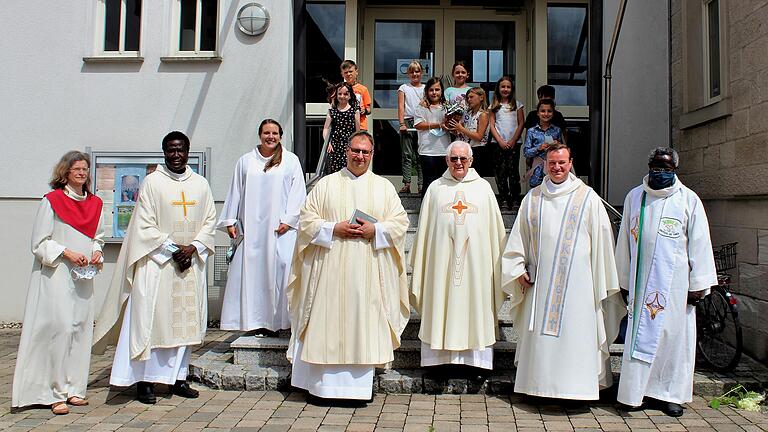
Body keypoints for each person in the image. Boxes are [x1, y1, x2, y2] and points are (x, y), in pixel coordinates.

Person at [93, 131, 217, 404]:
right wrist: (174, 250)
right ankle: (145, 381)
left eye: (180, 150)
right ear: (164, 152)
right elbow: (143, 226)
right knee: (151, 321)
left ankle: (178, 378)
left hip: (189, 265)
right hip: (158, 264)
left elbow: (210, 220)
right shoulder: (152, 183)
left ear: (187, 151)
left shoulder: (201, 184)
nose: (176, 155)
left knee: (184, 323)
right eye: (171, 150)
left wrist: (194, 247)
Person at [287, 131, 410, 401]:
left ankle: (358, 390)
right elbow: (306, 221)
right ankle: (322, 389)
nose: (360, 156)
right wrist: (334, 228)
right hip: (329, 273)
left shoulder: (383, 188)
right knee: (327, 322)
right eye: (355, 150)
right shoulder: (326, 185)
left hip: (368, 275)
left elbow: (400, 223)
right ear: (346, 151)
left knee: (362, 327)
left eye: (365, 152)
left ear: (372, 154)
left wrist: (375, 230)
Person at [501, 143, 625, 401]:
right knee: (541, 339)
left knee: (576, 335)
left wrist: (602, 280)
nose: (557, 167)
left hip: (579, 286)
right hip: (541, 283)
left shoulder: (588, 197)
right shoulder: (532, 198)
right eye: (552, 163)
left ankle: (576, 390)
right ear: (545, 164)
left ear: (570, 163)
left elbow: (603, 241)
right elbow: (518, 240)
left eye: (562, 162)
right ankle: (539, 388)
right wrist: (518, 267)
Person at [615, 147, 717, 417]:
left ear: (675, 170)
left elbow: (700, 244)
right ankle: (635, 394)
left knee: (674, 339)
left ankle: (669, 395)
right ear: (648, 167)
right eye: (656, 167)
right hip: (640, 282)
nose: (660, 173)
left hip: (675, 288)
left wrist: (698, 285)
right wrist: (623, 280)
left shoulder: (688, 200)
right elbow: (625, 239)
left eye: (666, 169)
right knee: (638, 339)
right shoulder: (635, 197)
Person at [12, 151, 105, 415]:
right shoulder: (52, 201)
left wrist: (97, 250)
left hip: (84, 279)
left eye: (85, 169)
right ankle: (53, 393)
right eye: (76, 169)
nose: (81, 173)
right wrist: (67, 253)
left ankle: (74, 389)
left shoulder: (95, 203)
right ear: (65, 172)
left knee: (79, 330)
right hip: (58, 276)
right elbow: (39, 243)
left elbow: (98, 236)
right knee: (60, 329)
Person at [409, 141, 506, 374]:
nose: (459, 163)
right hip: (441, 266)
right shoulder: (435, 189)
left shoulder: (483, 189)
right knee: (440, 301)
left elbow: (495, 235)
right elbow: (424, 232)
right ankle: (438, 362)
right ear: (446, 161)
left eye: (463, 159)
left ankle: (476, 363)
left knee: (475, 305)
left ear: (471, 161)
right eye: (454, 159)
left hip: (476, 269)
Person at [218, 119, 306, 334]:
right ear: (260, 135)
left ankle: (280, 323)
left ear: (280, 135)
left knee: (281, 272)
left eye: (275, 133)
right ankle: (252, 321)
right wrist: (230, 220)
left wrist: (289, 219)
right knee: (252, 276)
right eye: (266, 133)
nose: (271, 137)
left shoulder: (290, 161)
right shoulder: (245, 162)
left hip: (280, 231)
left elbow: (298, 192)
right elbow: (235, 190)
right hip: (252, 233)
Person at [489, 75, 525, 209]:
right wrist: (499, 141)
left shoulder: (518, 105)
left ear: (512, 89)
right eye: (503, 86)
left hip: (514, 143)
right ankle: (503, 198)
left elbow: (521, 123)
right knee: (501, 171)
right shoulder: (494, 106)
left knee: (513, 170)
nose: (505, 89)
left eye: (508, 87)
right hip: (498, 143)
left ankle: (515, 198)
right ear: (498, 89)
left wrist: (513, 140)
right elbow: (492, 125)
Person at [414, 77, 451, 193]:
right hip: (427, 150)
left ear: (442, 91)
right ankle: (426, 209)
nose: (434, 93)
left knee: (444, 182)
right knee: (429, 182)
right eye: (431, 90)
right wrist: (439, 124)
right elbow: (418, 124)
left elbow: (451, 125)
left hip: (444, 150)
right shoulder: (421, 107)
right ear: (426, 92)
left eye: (437, 90)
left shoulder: (447, 107)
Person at [448, 87, 490, 177]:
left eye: (471, 97)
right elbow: (463, 131)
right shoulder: (467, 113)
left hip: (477, 150)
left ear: (481, 97)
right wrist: (456, 130)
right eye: (467, 98)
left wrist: (461, 129)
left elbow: (479, 136)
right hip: (465, 148)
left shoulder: (483, 115)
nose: (469, 100)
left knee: (474, 177)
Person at [397, 60, 425, 193]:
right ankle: (407, 183)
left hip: (421, 122)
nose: (415, 74)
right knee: (407, 154)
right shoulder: (404, 88)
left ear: (421, 73)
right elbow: (401, 106)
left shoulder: (425, 88)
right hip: (408, 122)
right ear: (408, 73)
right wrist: (402, 123)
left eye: (417, 71)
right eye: (412, 71)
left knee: (420, 154)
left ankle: (421, 184)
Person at [523, 99, 563, 188]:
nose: (546, 114)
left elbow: (562, 152)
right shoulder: (531, 131)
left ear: (553, 113)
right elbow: (526, 152)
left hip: (553, 169)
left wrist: (558, 145)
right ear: (537, 113)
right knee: (536, 195)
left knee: (552, 192)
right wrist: (538, 148)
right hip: (537, 169)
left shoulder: (557, 130)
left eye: (549, 111)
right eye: (542, 111)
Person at [323, 82, 361, 174]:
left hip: (349, 145)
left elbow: (357, 131)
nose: (342, 96)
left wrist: (356, 146)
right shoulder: (332, 111)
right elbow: (325, 129)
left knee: (349, 170)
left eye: (345, 94)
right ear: (336, 95)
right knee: (335, 172)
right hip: (335, 146)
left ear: (350, 95)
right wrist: (328, 143)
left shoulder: (354, 111)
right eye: (340, 94)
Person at [341, 59, 372, 131]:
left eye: (350, 71)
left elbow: (369, 109)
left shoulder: (363, 89)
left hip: (360, 125)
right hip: (344, 126)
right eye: (346, 72)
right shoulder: (340, 89)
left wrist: (364, 111)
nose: (348, 74)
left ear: (356, 72)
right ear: (342, 74)